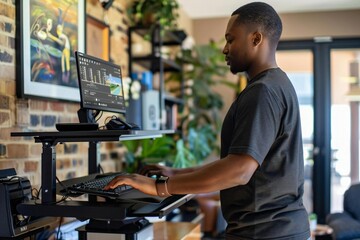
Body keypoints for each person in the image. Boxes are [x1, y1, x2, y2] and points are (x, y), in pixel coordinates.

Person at [105, 2, 311, 239]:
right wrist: (174, 173)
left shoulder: (263, 91)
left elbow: (239, 171)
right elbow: (235, 162)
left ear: (256, 39)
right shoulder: (278, 84)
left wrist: (158, 187)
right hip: (277, 229)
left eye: (230, 39)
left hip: (264, 232)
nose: (225, 48)